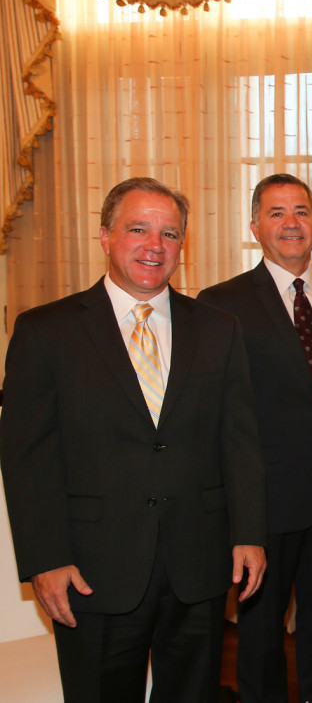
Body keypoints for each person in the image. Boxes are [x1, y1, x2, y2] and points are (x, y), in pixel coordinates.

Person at [0, 177, 266, 701]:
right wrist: (44, 560)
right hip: (94, 568)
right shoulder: (44, 331)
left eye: (169, 234)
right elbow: (28, 459)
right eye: (138, 229)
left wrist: (249, 534)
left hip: (199, 561)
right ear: (105, 236)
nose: (155, 245)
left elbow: (239, 441)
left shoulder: (218, 328)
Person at [198, 173, 312, 703]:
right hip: (261, 502)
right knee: (260, 633)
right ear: (254, 227)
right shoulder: (219, 304)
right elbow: (215, 415)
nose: (291, 223)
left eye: (300, 212)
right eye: (276, 213)